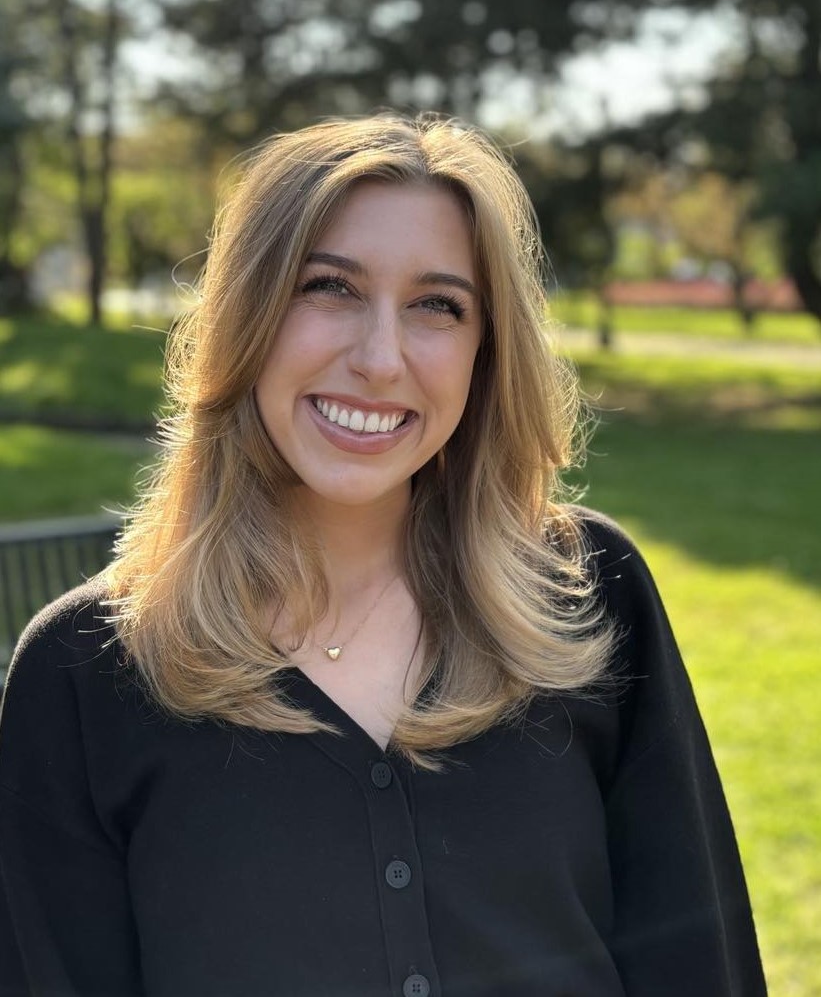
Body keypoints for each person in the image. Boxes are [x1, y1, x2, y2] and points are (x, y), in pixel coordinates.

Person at [0, 113, 766, 996]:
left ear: (485, 350)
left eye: (437, 306)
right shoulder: (85, 673)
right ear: (245, 314)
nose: (380, 358)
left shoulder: (587, 595)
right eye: (328, 288)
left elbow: (699, 964)